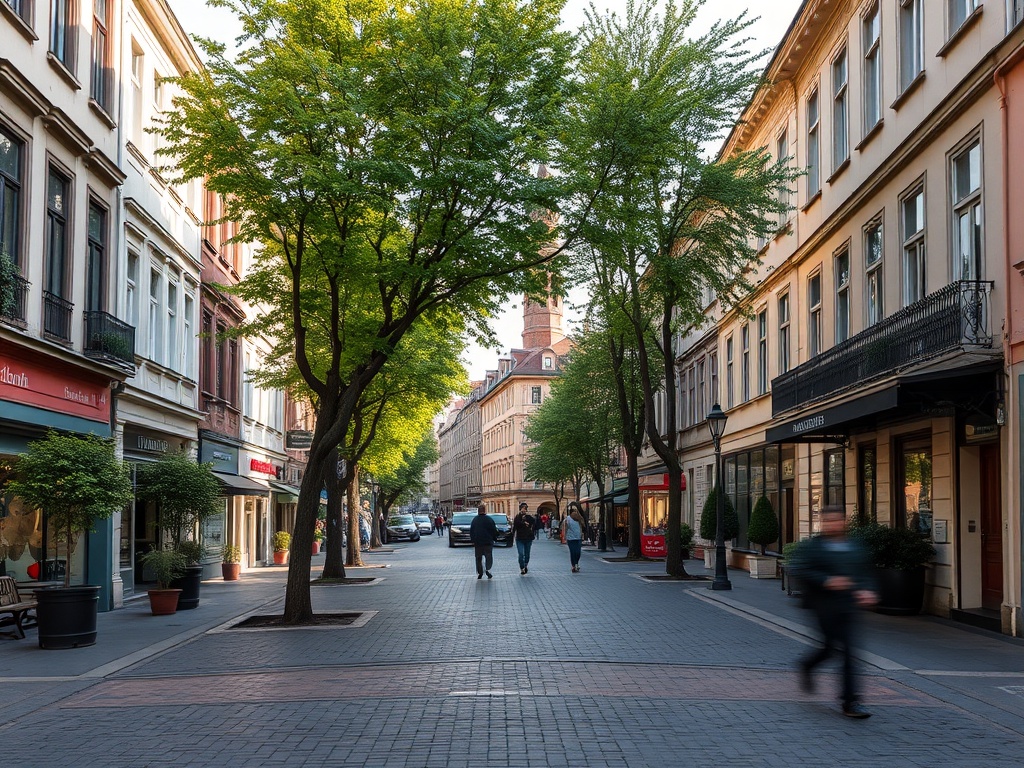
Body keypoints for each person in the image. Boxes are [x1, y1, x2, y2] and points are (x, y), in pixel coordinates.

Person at [792, 505, 877, 719]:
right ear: (823, 523)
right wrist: (826, 580)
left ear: (844, 522)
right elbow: (800, 569)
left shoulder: (855, 546)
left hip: (848, 606)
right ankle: (807, 665)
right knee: (829, 649)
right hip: (823, 606)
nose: (833, 525)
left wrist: (867, 589)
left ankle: (851, 701)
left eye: (837, 520)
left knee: (849, 651)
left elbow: (865, 572)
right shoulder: (814, 547)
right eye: (828, 521)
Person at [469, 503, 498, 579]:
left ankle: (480, 572)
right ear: (485, 510)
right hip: (488, 542)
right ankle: (488, 569)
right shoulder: (489, 519)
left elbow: (471, 531)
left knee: (478, 558)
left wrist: (473, 540)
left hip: (478, 542)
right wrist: (495, 538)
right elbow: (494, 530)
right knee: (488, 556)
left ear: (478, 511)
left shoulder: (475, 520)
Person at [512, 502, 536, 575]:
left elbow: (534, 523)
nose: (524, 510)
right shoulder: (517, 517)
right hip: (519, 538)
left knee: (527, 554)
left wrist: (528, 521)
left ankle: (525, 565)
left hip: (528, 538)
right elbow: (515, 526)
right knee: (521, 554)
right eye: (522, 509)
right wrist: (523, 522)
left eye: (525, 509)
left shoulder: (529, 517)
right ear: (520, 509)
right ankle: (522, 567)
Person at [562, 502, 585, 573]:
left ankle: (576, 563)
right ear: (571, 513)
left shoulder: (579, 518)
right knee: (572, 552)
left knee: (578, 552)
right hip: (570, 538)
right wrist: (565, 536)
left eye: (576, 511)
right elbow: (565, 527)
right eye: (574, 511)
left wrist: (582, 534)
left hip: (578, 538)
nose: (575, 513)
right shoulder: (567, 519)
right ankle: (574, 565)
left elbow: (583, 526)